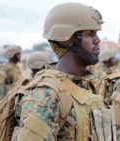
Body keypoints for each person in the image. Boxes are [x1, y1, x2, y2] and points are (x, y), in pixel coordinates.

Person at [11, 2, 112, 141]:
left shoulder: (86, 85)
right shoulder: (46, 95)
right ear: (68, 39)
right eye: (90, 34)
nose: (98, 40)